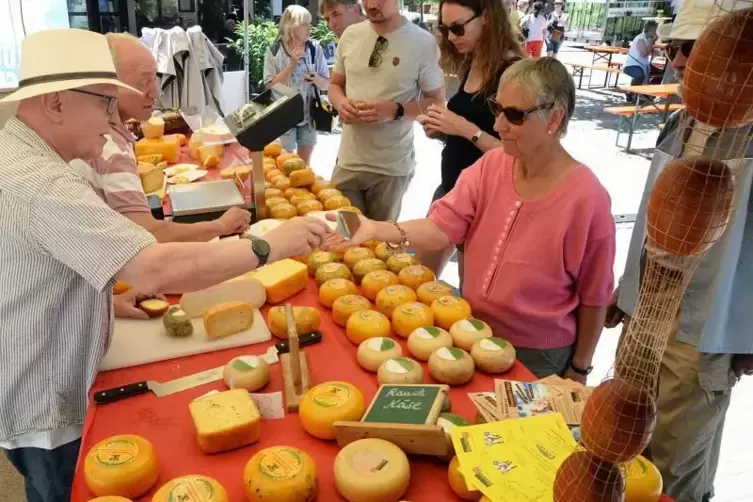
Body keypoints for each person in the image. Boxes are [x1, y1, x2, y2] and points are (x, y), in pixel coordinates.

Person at [0, 29, 332, 501]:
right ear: (55, 103)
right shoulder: (41, 183)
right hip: (44, 397)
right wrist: (268, 248)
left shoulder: (19, 154)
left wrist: (103, 296)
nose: (112, 120)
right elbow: (153, 266)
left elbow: (38, 269)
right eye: (104, 103)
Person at [326, 58, 616, 380]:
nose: (498, 126)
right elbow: (440, 228)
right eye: (497, 108)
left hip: (539, 356)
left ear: (555, 118)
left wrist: (580, 367)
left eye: (515, 115)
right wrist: (376, 228)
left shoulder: (587, 198)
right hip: (470, 330)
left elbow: (595, 296)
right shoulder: (492, 165)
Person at [605, 2, 753, 501]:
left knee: (676, 460)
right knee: (632, 446)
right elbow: (652, 216)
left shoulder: (749, 134)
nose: (683, 62)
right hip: (648, 313)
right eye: (676, 49)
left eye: (693, 50)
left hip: (706, 329)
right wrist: (626, 293)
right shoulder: (683, 123)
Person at [70, 34, 251, 245]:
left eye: (154, 79)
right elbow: (147, 235)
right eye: (144, 81)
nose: (155, 93)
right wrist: (221, 225)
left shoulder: (97, 133)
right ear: (108, 85)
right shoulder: (108, 148)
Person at [415, 0, 524, 280]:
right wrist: (444, 130)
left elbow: (520, 155)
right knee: (417, 280)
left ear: (486, 18)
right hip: (451, 191)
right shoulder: (472, 62)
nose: (451, 37)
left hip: (487, 204)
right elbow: (469, 135)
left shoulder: (513, 73)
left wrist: (464, 128)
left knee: (472, 295)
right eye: (445, 29)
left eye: (458, 28)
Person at [328, 0, 445, 221]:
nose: (371, 4)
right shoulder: (350, 35)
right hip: (348, 162)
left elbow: (437, 103)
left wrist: (396, 110)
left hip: (390, 169)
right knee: (344, 242)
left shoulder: (422, 43)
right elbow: (335, 85)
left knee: (379, 248)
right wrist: (341, 102)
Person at [264, 5, 330, 165]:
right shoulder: (274, 51)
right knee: (284, 164)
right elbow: (270, 86)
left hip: (309, 117)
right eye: (305, 24)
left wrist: (316, 79)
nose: (310, 27)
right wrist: (291, 64)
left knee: (303, 166)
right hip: (283, 118)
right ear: (292, 27)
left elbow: (327, 84)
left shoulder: (315, 49)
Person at [623, 20, 663, 102]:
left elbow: (651, 52)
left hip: (643, 64)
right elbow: (644, 54)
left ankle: (648, 93)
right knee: (640, 75)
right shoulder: (641, 39)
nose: (657, 33)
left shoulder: (647, 39)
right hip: (632, 65)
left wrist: (661, 53)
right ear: (651, 31)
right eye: (656, 31)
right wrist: (651, 42)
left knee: (662, 73)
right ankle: (631, 93)